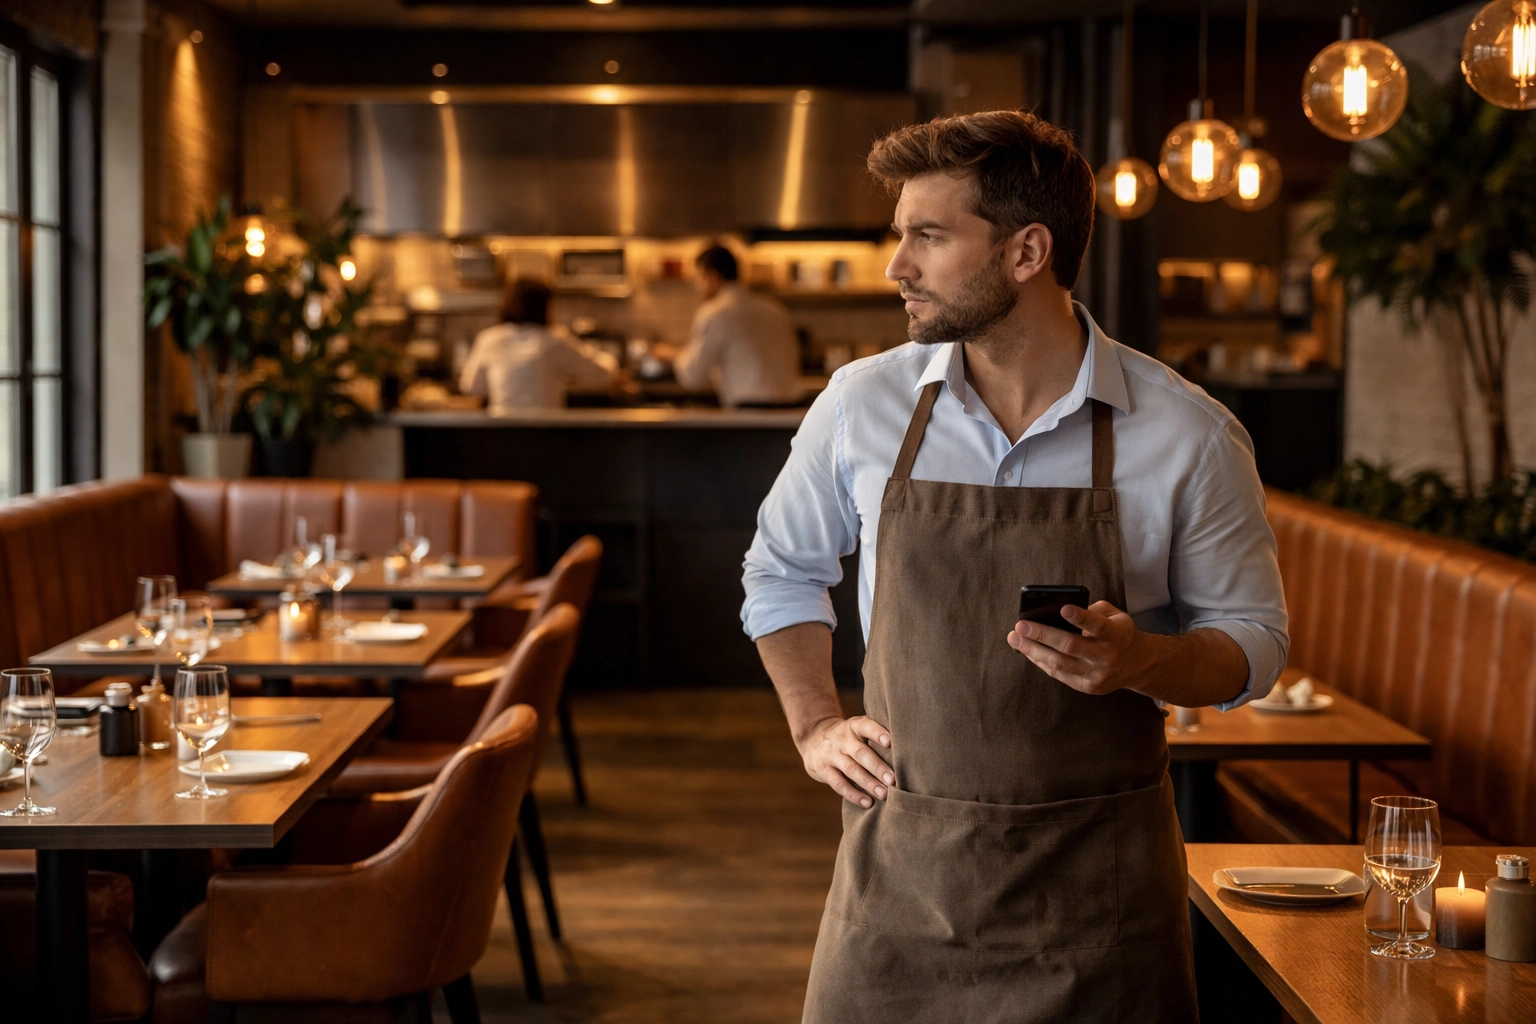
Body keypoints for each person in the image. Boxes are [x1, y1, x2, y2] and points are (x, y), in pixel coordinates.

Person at [741, 110, 1289, 1022]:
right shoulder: (861, 406)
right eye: (898, 235)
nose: (896, 266)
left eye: (928, 236)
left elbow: (1255, 641)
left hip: (1102, 898)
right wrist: (814, 727)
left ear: (1027, 250)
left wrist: (1144, 662)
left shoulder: (1187, 432)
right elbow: (782, 572)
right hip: (902, 886)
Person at [667, 246, 803, 407]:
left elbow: (692, 376)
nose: (697, 286)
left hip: (748, 413)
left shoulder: (715, 313)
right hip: (791, 410)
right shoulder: (775, 309)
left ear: (712, 276)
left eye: (698, 278)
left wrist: (671, 354)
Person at [459, 278, 619, 412]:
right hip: (545, 433)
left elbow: (471, 386)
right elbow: (602, 373)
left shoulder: (489, 338)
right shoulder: (554, 339)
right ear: (545, 307)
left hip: (502, 432)